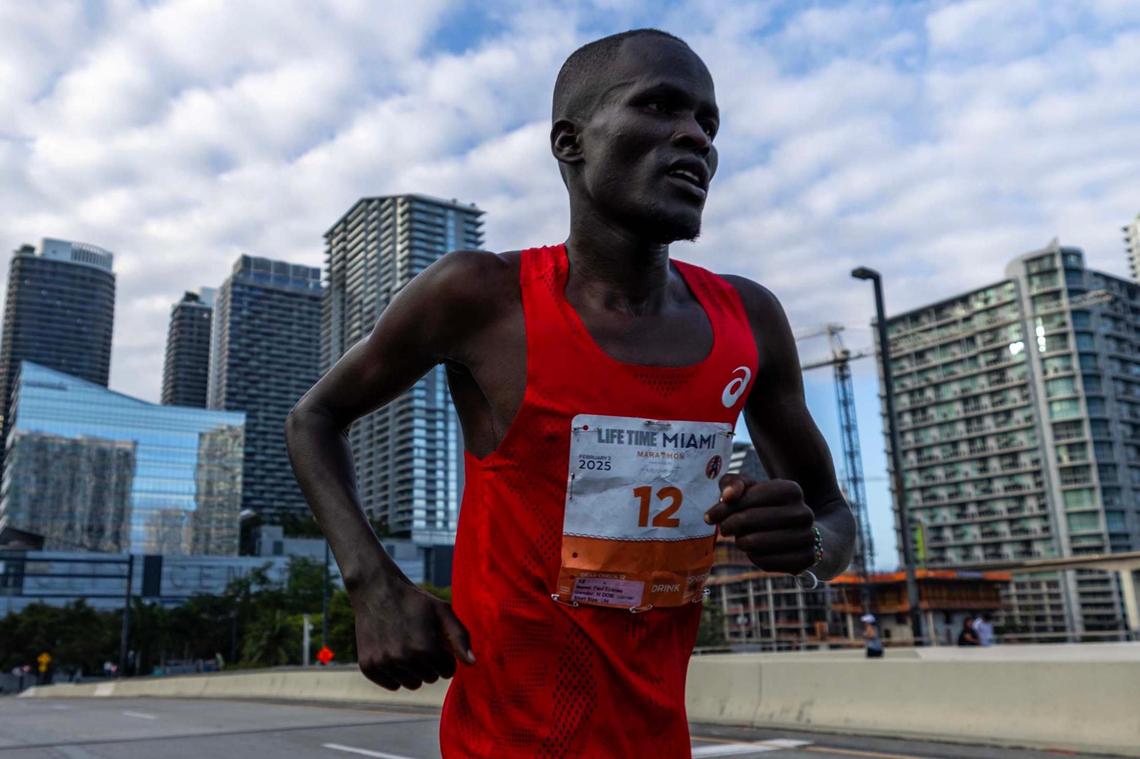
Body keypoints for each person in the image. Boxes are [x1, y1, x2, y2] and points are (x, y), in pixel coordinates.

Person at [286, 28, 856, 758]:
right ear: (570, 141)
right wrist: (372, 582)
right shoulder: (482, 297)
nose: (696, 138)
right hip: (504, 742)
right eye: (659, 106)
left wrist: (805, 542)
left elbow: (835, 521)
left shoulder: (750, 321)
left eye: (709, 125)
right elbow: (314, 418)